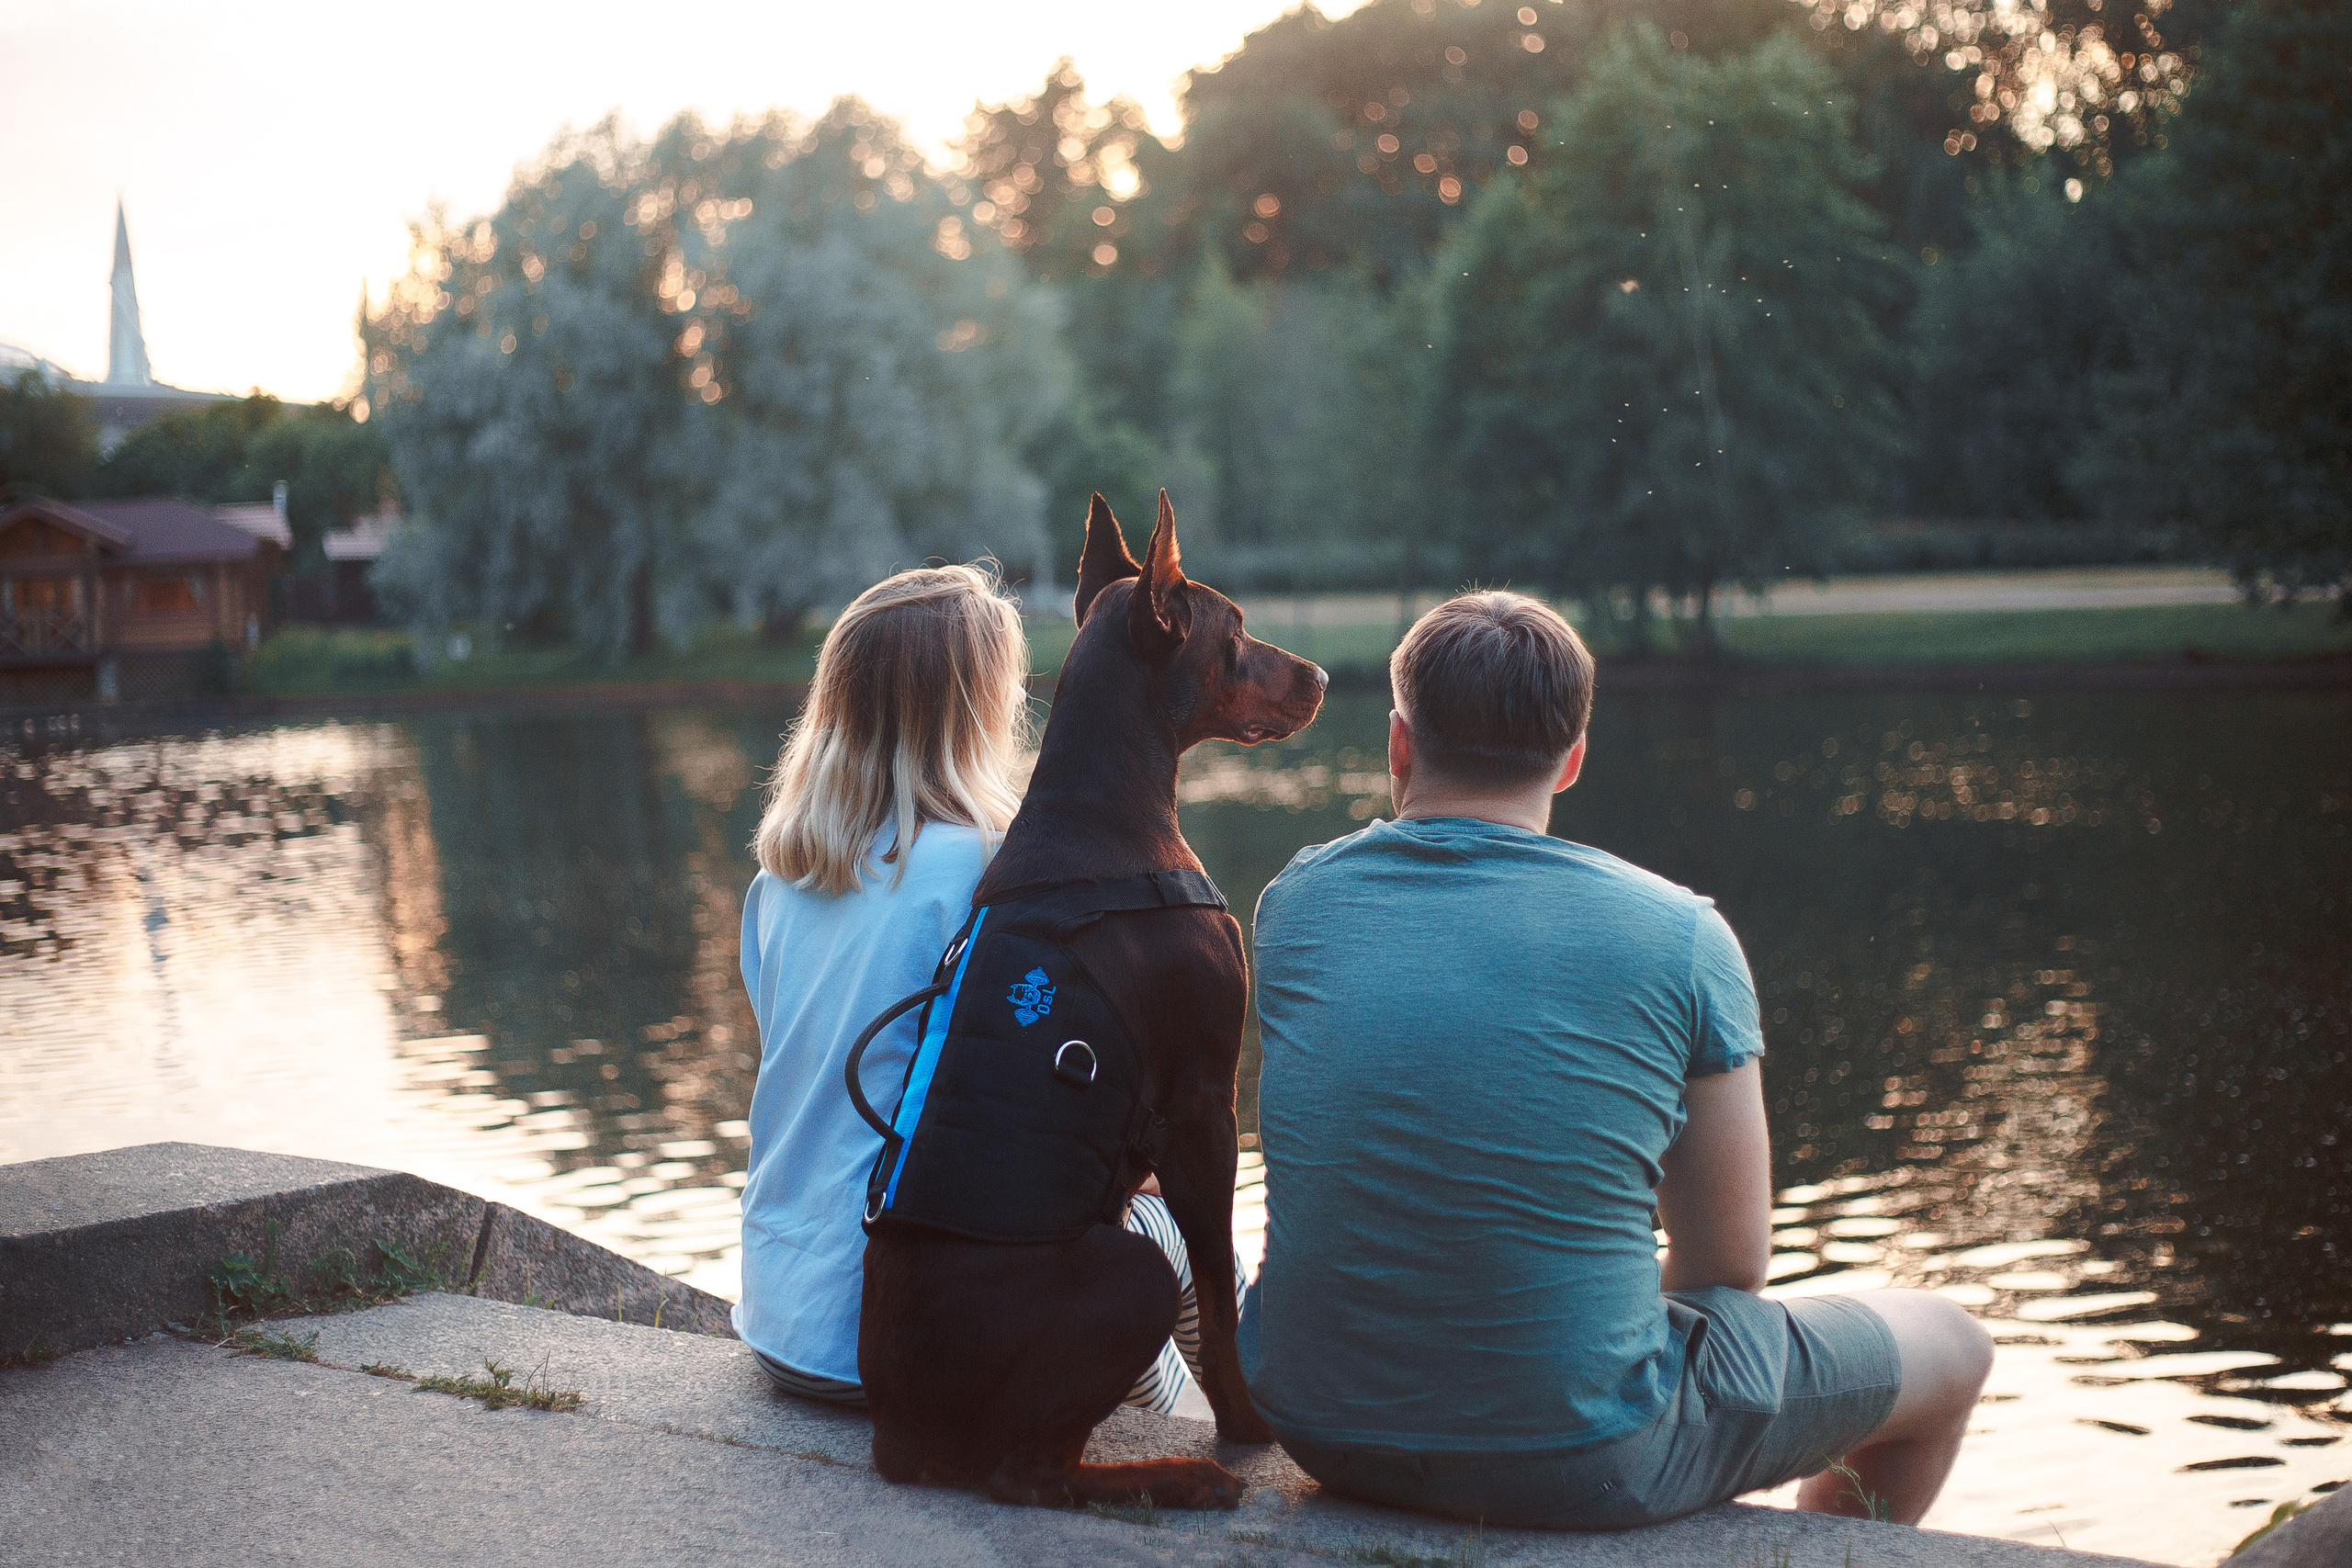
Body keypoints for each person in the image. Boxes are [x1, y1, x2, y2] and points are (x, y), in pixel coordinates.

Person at [1238, 591, 1992, 1529]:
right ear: (1573, 760)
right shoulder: (1681, 934)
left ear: (1398, 745)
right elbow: (1730, 1263)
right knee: (1956, 1346)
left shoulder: (1297, 904)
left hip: (1319, 1423)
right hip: (1580, 1461)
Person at [735, 563, 1212, 1413]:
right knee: (1163, 1225)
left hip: (781, 1319)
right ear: (981, 709)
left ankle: (1176, 1399)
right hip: (897, 1327)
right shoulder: (993, 872)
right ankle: (1192, 1411)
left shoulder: (779, 882)